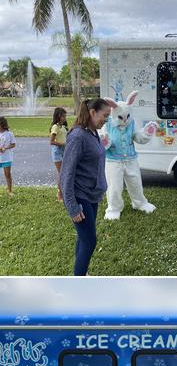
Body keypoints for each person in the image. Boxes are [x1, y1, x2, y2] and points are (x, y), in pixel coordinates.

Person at [60, 98, 111, 276]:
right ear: (92, 113)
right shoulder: (77, 136)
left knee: (84, 238)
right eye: (104, 116)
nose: (106, 120)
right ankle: (79, 279)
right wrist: (72, 207)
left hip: (92, 196)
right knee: (90, 241)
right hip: (80, 197)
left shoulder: (92, 132)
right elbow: (66, 174)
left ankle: (80, 273)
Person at [49, 107, 68, 201]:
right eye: (63, 116)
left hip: (64, 150)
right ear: (58, 116)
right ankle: (60, 194)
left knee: (65, 172)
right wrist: (63, 144)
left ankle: (64, 192)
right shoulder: (55, 127)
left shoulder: (64, 127)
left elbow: (65, 137)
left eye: (65, 116)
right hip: (57, 151)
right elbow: (51, 141)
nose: (64, 118)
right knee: (61, 173)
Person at [0, 117, 17, 196]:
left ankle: (10, 190)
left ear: (3, 125)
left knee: (7, 174)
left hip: (6, 158)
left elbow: (13, 144)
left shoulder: (9, 133)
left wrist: (5, 148)